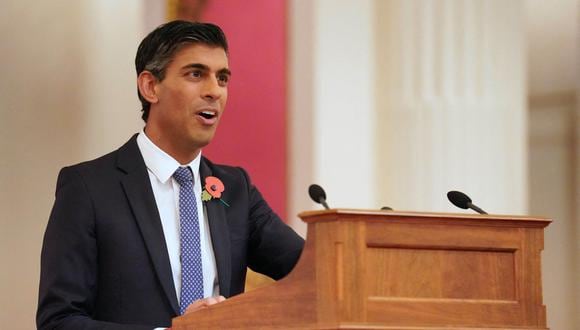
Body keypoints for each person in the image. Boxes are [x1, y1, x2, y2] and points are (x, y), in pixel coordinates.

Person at [37, 20, 304, 329]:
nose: (214, 91)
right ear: (150, 86)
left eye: (222, 78)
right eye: (196, 74)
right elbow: (59, 321)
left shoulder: (235, 190)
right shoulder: (88, 188)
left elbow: (311, 271)